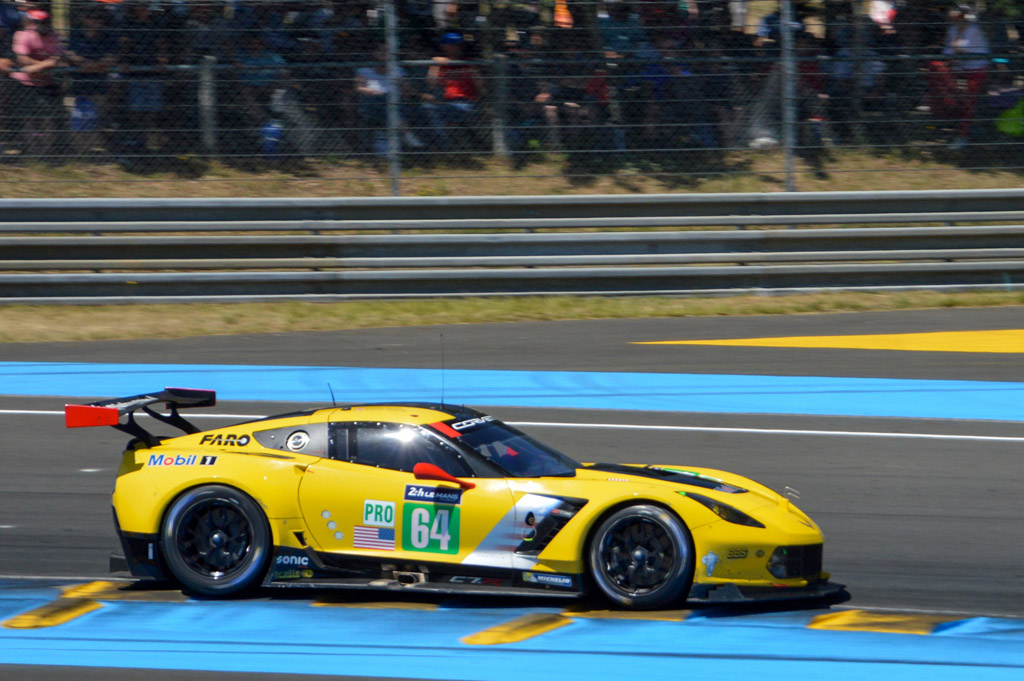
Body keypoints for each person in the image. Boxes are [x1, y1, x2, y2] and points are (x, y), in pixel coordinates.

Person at [926, 4, 989, 150]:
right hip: (959, 68)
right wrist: (950, 57)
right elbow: (949, 51)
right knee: (935, 67)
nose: (957, 21)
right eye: (955, 18)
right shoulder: (953, 29)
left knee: (969, 101)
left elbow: (962, 48)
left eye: (960, 17)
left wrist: (954, 51)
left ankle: (962, 136)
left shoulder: (973, 30)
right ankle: (947, 112)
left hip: (976, 68)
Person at [11, 8, 63, 160]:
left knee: (48, 118)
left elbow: (57, 59)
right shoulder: (23, 34)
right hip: (26, 83)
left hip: (47, 82)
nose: (42, 26)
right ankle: (32, 152)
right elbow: (22, 58)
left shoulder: (53, 35)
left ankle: (46, 153)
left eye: (45, 22)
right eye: (38, 22)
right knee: (29, 118)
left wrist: (34, 68)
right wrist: (45, 65)